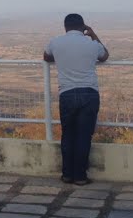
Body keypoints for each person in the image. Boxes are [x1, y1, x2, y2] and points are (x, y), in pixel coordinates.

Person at [43, 13, 108, 185]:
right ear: (83, 27)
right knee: (84, 136)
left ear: (65, 27)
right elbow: (105, 56)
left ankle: (67, 174)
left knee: (68, 134)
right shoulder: (91, 44)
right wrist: (93, 34)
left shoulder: (55, 42)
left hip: (67, 94)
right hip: (89, 93)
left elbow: (46, 57)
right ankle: (80, 176)